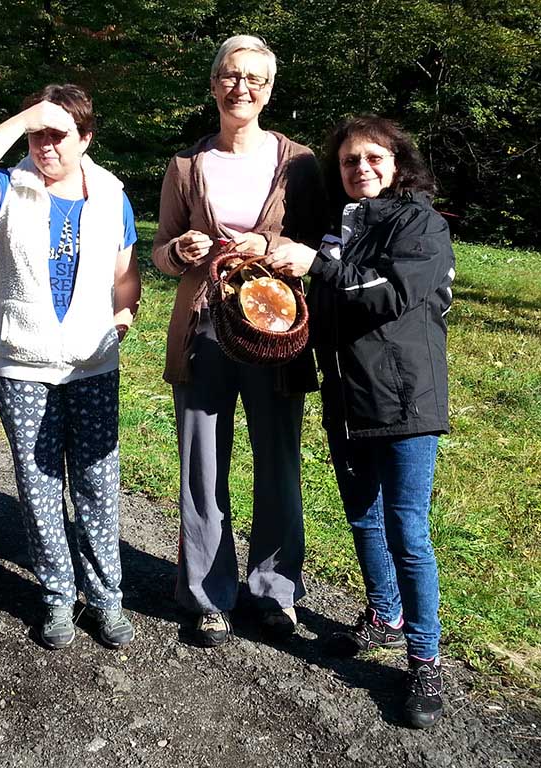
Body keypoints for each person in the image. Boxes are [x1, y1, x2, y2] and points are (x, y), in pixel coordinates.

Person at [266, 115, 455, 728]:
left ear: (398, 163)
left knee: (407, 529)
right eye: (350, 160)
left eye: (374, 158)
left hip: (405, 399)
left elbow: (391, 293)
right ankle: (383, 614)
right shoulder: (339, 226)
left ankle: (425, 658)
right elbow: (324, 306)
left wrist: (316, 267)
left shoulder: (420, 223)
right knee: (363, 517)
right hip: (346, 397)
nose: (361, 168)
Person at [0, 84, 141, 650]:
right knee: (39, 486)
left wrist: (123, 317)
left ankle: (105, 598)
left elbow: (125, 275)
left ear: (86, 138)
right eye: (38, 135)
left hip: (93, 365)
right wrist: (24, 117)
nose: (46, 145)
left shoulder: (112, 195)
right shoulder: (9, 188)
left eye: (58, 135)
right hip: (23, 364)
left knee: (98, 484)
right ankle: (57, 595)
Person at [152, 35, 327, 647]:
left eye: (254, 78)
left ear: (269, 89)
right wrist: (180, 250)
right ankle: (208, 596)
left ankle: (275, 592)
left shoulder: (299, 163)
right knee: (201, 470)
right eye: (230, 76)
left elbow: (323, 246)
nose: (241, 87)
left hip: (275, 337)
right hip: (203, 334)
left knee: (278, 464)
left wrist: (272, 247)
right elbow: (160, 251)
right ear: (214, 85)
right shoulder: (185, 165)